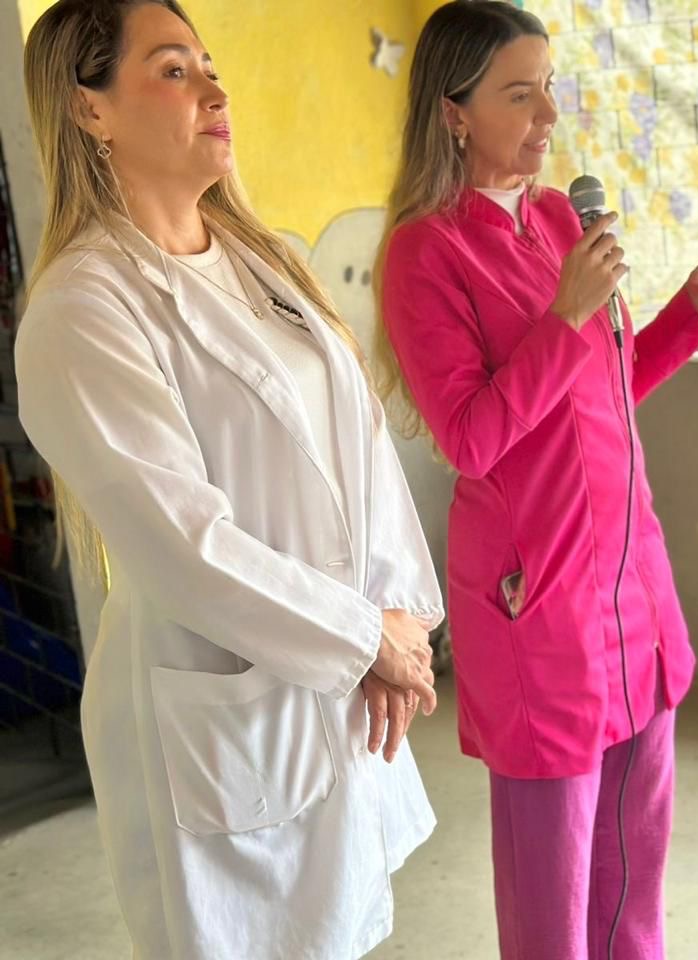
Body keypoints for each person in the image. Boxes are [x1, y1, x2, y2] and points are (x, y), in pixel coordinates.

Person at [18, 2, 442, 957]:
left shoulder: (261, 262)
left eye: (210, 65)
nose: (215, 89)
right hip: (223, 719)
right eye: (174, 70)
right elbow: (183, 546)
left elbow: (362, 442)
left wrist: (397, 615)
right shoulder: (82, 309)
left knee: (340, 930)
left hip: (334, 695)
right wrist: (360, 638)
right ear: (90, 108)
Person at [376, 3, 698, 957]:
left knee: (634, 886)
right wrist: (565, 315)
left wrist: (694, 299)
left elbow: (606, 387)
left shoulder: (561, 218)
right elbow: (471, 438)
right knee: (553, 910)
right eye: (520, 95)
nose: (549, 116)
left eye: (550, 88)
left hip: (631, 595)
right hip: (540, 613)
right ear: (453, 113)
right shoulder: (426, 252)